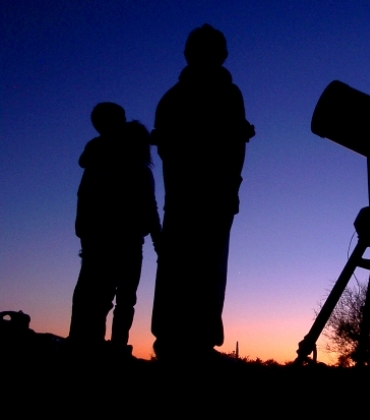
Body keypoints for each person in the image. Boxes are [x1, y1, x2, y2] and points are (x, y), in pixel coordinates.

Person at [150, 24, 254, 362]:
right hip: (198, 198)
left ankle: (186, 341)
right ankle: (185, 343)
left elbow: (234, 147)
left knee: (190, 272)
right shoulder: (221, 95)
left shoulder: (175, 97)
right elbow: (230, 147)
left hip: (202, 198)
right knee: (195, 271)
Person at [69, 102, 161, 357]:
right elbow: (149, 209)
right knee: (112, 299)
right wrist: (158, 241)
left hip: (108, 239)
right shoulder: (113, 164)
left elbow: (148, 208)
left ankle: (100, 346)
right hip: (114, 239)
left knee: (105, 299)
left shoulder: (103, 162)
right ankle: (102, 347)